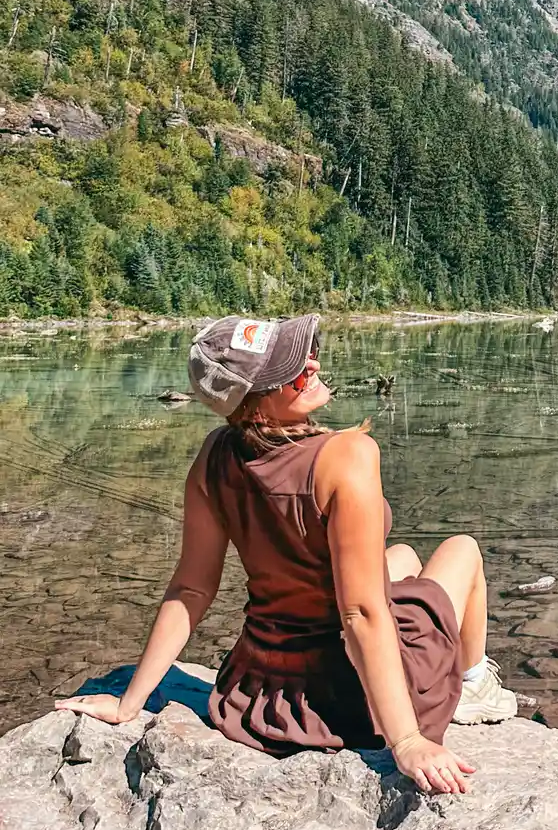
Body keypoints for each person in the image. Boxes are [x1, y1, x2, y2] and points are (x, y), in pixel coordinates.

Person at [56, 314, 516, 794]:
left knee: (400, 556)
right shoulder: (347, 455)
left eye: (303, 354)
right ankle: (473, 685)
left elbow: (191, 588)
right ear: (254, 406)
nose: (312, 365)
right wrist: (406, 740)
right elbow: (359, 612)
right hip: (344, 696)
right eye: (292, 369)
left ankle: (458, 677)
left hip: (260, 692)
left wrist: (132, 702)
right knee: (463, 550)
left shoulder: (213, 457)